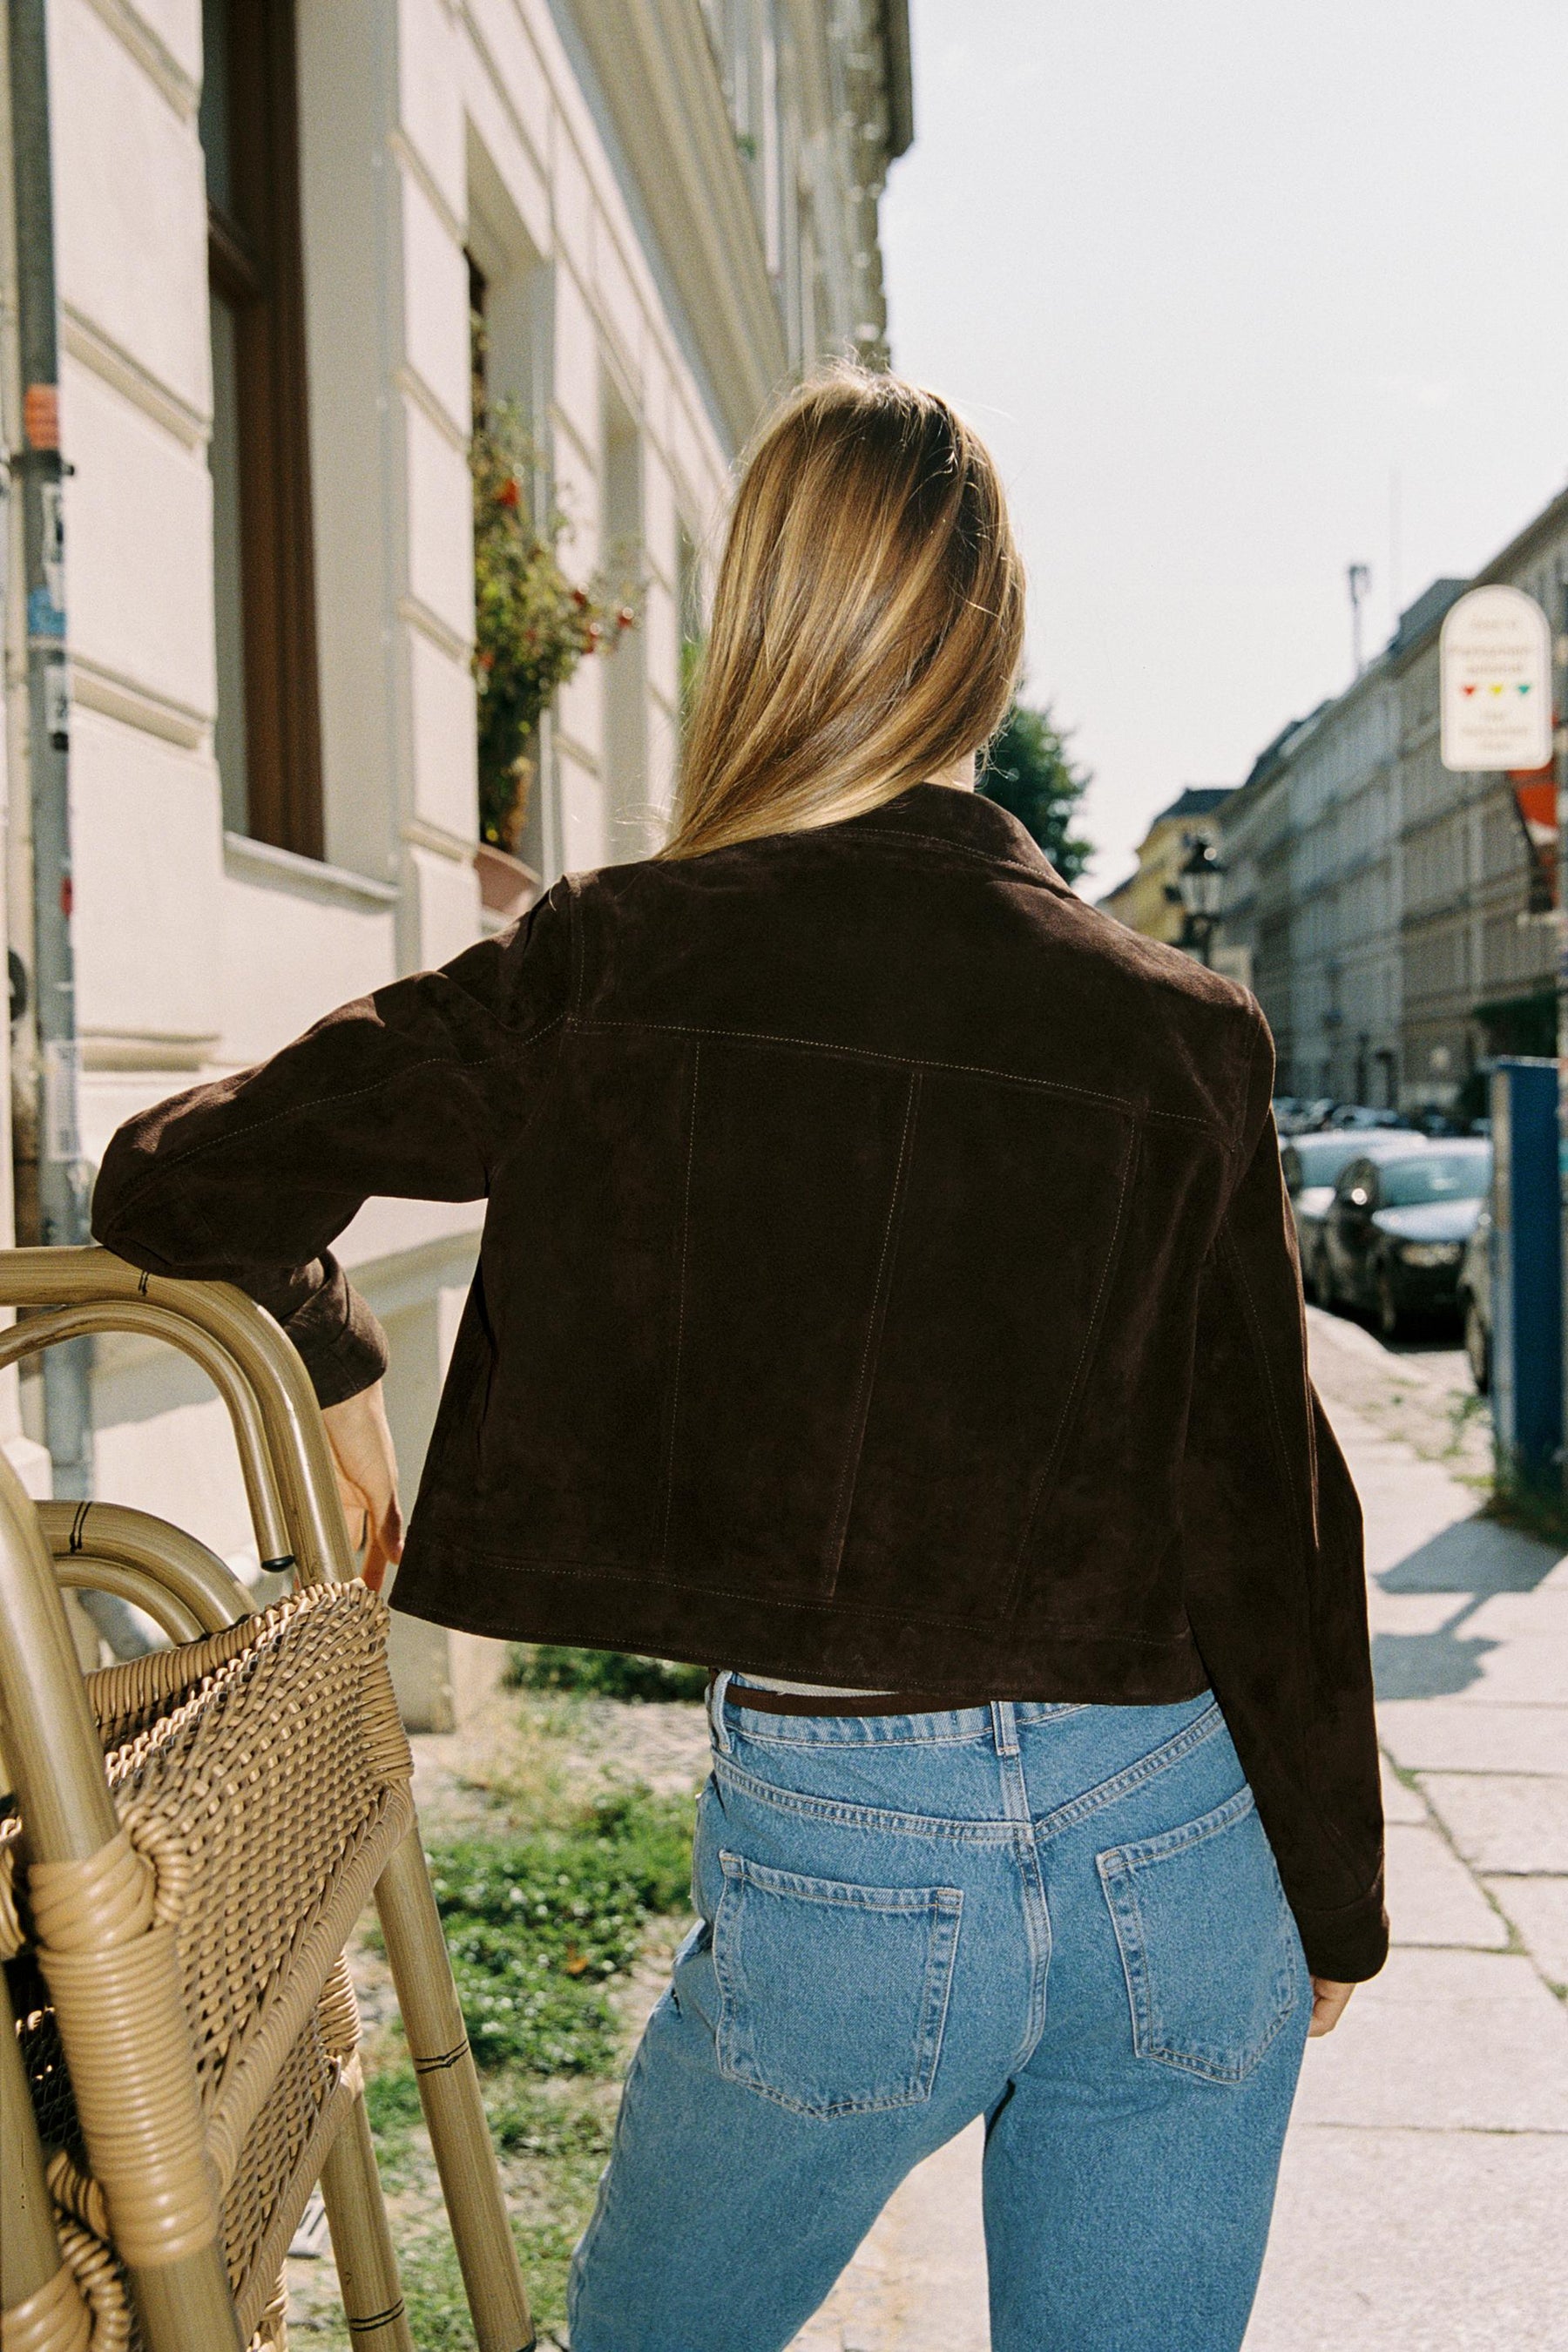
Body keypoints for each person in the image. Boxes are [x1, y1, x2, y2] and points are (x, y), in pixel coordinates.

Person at [92, 367, 1385, 2352]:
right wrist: (1334, 1890)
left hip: (853, 1845)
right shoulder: (1181, 1027)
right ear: (991, 644)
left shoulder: (615, 957)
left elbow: (177, 1177)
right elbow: (1272, 1501)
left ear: (762, 622)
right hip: (1180, 1833)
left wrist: (336, 1357)